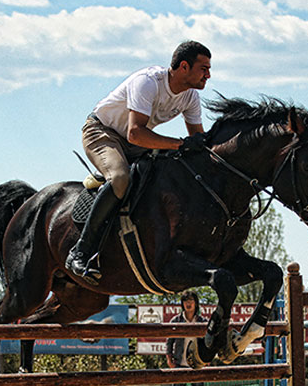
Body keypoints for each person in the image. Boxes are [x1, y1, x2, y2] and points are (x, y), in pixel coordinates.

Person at [66, 41, 212, 284]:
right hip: (102, 132)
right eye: (203, 68)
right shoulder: (148, 82)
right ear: (184, 67)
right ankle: (80, 251)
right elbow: (136, 133)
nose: (208, 74)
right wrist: (179, 144)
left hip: (135, 143)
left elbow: (196, 140)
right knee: (120, 179)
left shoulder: (190, 97)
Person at [165, 291, 208, 386]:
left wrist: (206, 358)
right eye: (185, 301)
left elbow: (208, 343)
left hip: (197, 364)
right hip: (179, 363)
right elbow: (169, 341)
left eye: (191, 300)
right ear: (182, 304)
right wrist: (169, 356)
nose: (188, 303)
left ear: (196, 303)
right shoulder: (176, 321)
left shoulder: (202, 322)